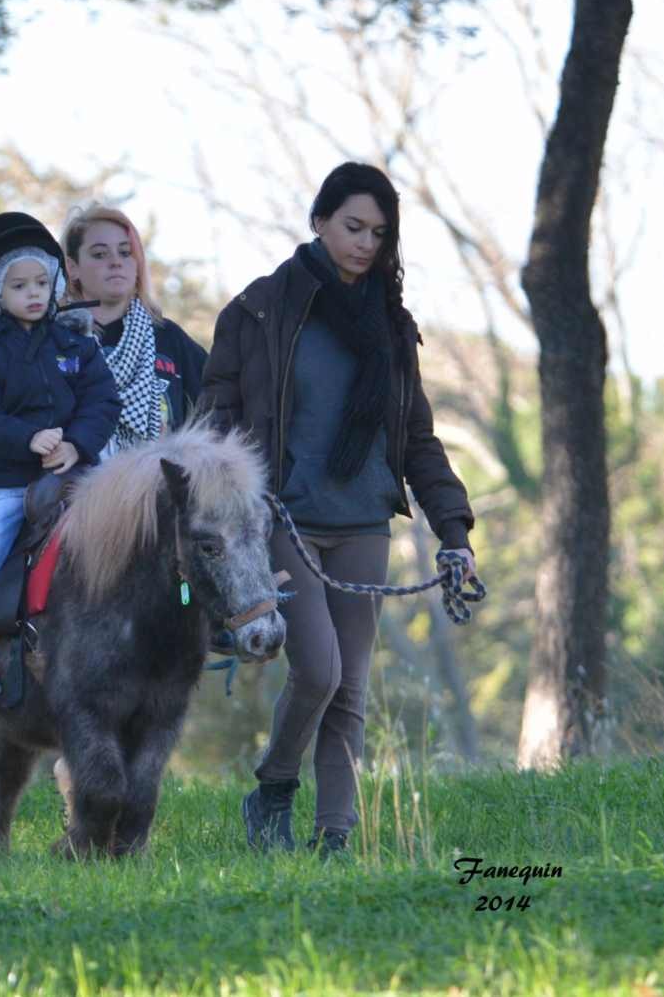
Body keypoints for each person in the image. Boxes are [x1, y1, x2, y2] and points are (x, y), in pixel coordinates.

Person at [201, 162, 477, 860]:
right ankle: (272, 788)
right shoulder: (256, 312)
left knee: (349, 687)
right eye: (352, 227)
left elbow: (415, 439)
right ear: (318, 220)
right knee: (317, 670)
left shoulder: (390, 325)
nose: (364, 244)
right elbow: (215, 423)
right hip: (281, 519)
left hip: (361, 520)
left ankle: (333, 841)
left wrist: (453, 530)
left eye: (378, 234)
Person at [0, 212, 120, 720]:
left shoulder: (77, 344)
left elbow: (103, 401)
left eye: (43, 282)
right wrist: (28, 439)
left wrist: (78, 445)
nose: (34, 294)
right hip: (12, 481)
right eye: (20, 285)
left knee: (137, 524)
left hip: (80, 471)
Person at [59, 204, 207, 456]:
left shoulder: (170, 338)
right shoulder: (53, 340)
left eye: (125, 252)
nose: (116, 262)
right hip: (72, 485)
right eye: (99, 254)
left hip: (159, 485)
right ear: (72, 268)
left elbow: (215, 415)